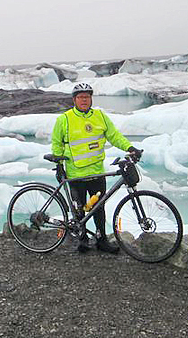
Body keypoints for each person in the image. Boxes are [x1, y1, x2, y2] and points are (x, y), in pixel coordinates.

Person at [51, 82, 141, 254]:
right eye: (80, 97)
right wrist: (58, 165)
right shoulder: (64, 119)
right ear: (74, 100)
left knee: (98, 208)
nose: (84, 100)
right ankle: (82, 239)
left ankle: (101, 240)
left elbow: (114, 136)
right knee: (79, 209)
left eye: (87, 97)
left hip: (97, 172)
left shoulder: (100, 116)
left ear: (91, 99)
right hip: (75, 173)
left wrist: (130, 148)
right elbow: (57, 144)